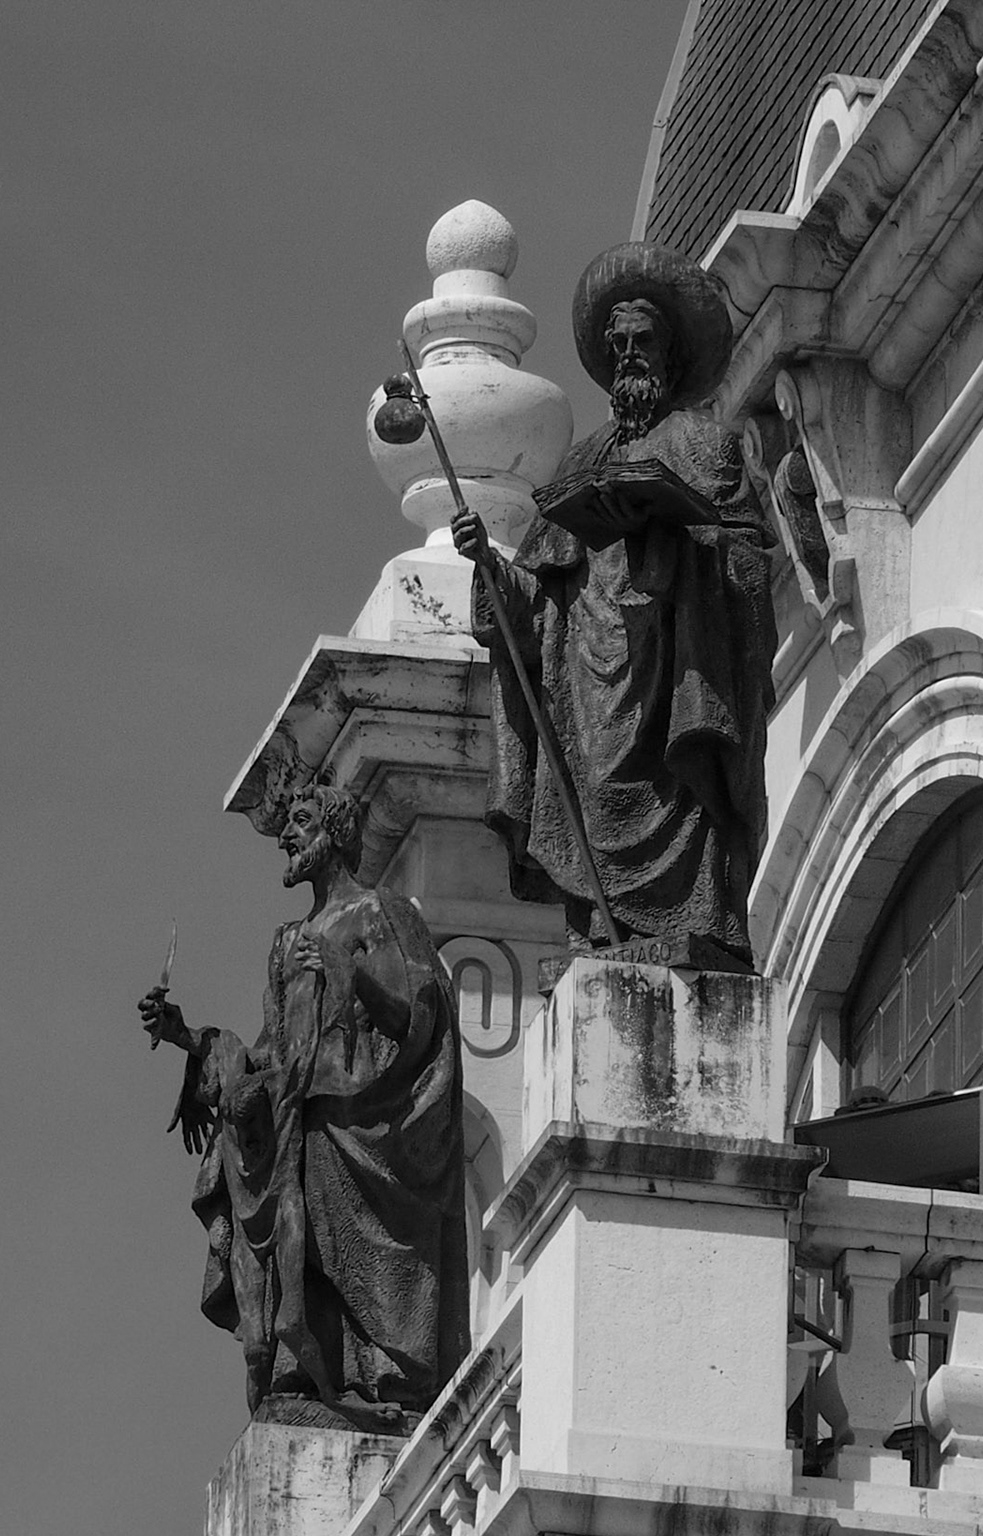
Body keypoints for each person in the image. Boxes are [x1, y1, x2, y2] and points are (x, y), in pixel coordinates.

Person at [450, 240, 777, 967]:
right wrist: (489, 565)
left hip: (679, 662)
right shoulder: (584, 459)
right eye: (618, 344)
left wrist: (684, 543)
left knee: (683, 781)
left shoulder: (707, 446)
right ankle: (601, 929)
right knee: (593, 787)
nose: (629, 355)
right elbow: (539, 598)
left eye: (642, 341)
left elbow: (750, 570)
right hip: (590, 674)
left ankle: (699, 920)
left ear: (669, 353)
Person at [139, 778, 467, 1427]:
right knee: (280, 1176)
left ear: (335, 832)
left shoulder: (379, 912)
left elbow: (415, 1015)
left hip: (356, 1113)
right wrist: (189, 1038)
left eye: (301, 820)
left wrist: (348, 971)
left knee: (319, 1166)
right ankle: (300, 1368)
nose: (287, 835)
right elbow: (271, 1050)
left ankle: (375, 1372)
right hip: (300, 1111)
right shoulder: (287, 942)